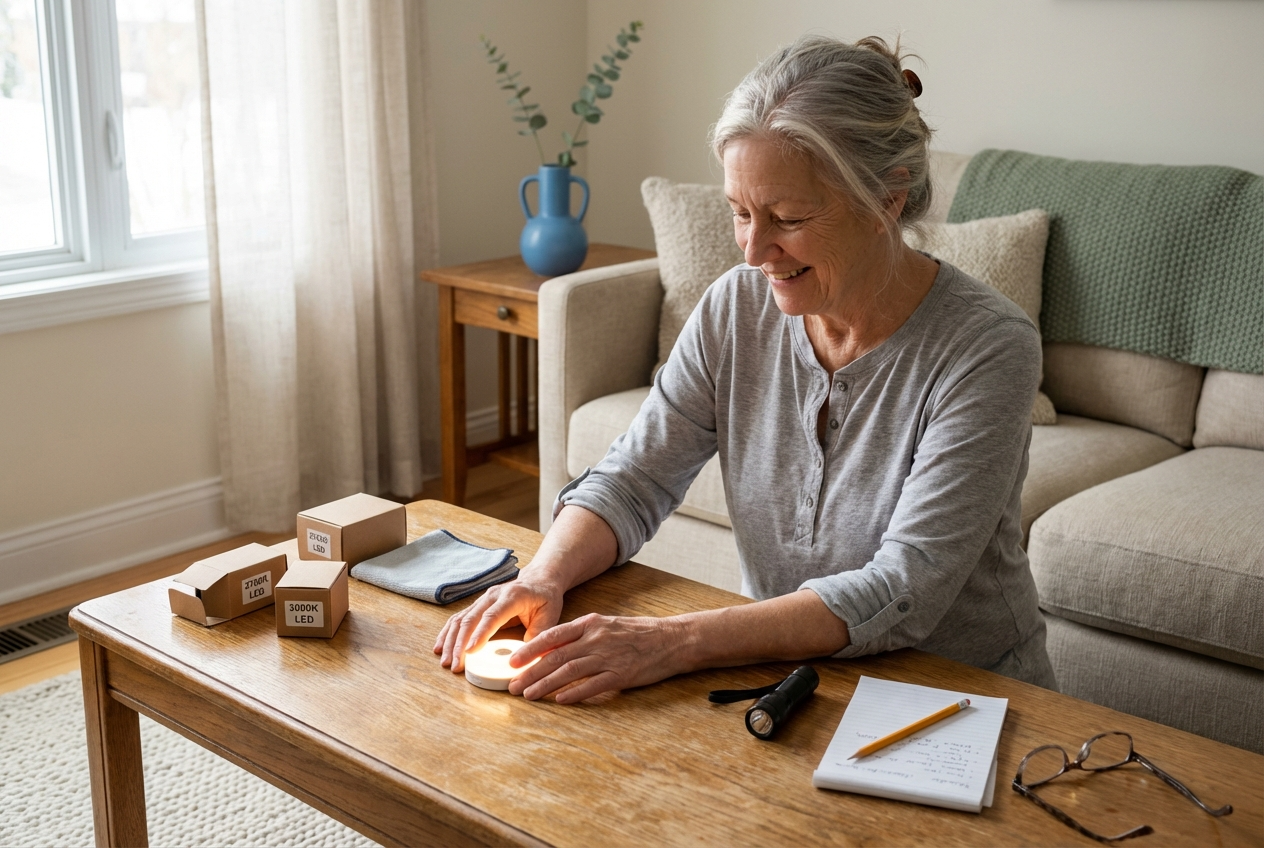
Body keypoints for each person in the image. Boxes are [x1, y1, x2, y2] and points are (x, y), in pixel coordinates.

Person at [436, 34, 1058, 701]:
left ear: (889, 197)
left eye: (786, 217)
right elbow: (634, 477)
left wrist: (673, 641)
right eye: (739, 213)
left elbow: (907, 585)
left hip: (961, 698)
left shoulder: (987, 346)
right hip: (787, 676)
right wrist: (542, 575)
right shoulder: (735, 307)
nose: (756, 249)